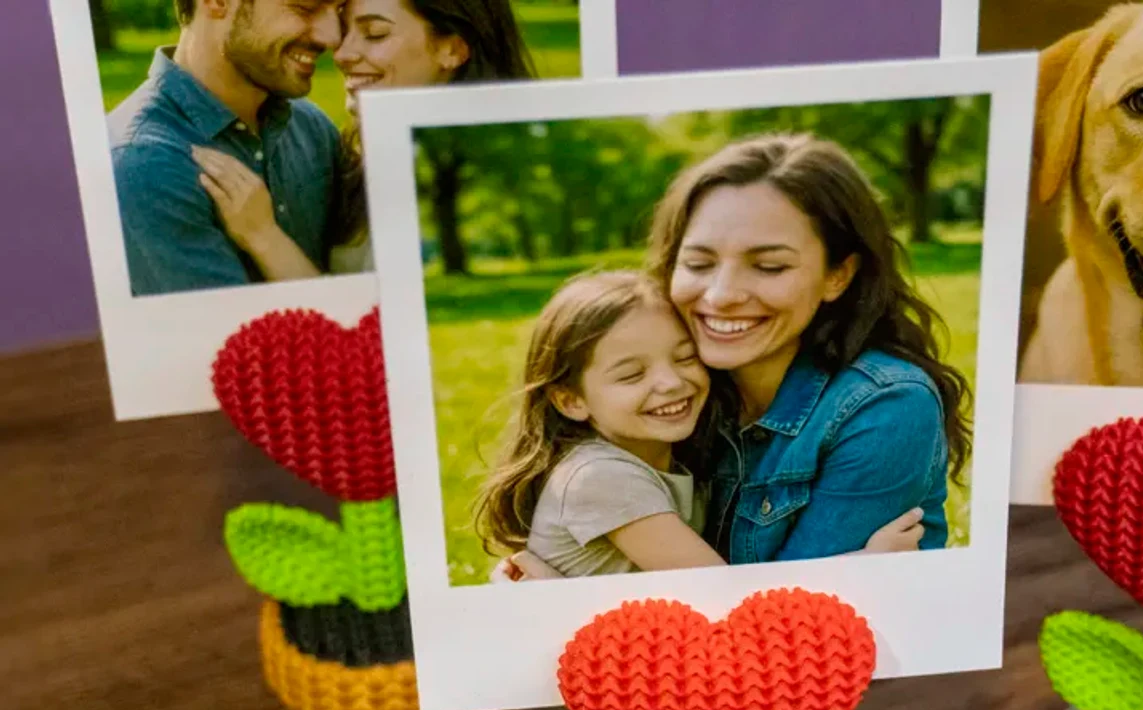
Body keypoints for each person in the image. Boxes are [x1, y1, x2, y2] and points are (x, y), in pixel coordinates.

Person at [649, 132, 973, 564]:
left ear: (838, 275)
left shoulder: (886, 405)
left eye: (769, 266)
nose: (722, 294)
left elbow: (797, 623)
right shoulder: (664, 390)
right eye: (698, 264)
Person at [474, 271, 924, 579]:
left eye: (686, 357)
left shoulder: (670, 458)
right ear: (570, 400)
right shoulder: (602, 477)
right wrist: (863, 565)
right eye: (632, 375)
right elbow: (721, 600)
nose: (671, 383)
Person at [194, 0, 536, 279]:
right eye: (346, 30)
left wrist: (265, 238)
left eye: (374, 34)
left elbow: (373, 337)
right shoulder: (355, 157)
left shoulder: (497, 179)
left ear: (453, 50)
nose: (341, 53)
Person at [108, 0, 343, 297]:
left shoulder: (313, 127)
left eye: (338, 10)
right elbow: (229, 339)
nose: (331, 37)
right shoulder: (143, 164)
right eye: (305, 9)